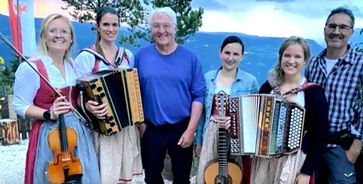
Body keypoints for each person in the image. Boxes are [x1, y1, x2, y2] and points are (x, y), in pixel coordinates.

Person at [13, 13, 100, 184]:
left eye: (64, 32)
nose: (58, 35)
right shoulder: (31, 68)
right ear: (44, 36)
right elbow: (20, 105)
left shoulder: (73, 65)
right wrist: (48, 113)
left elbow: (76, 99)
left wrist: (86, 106)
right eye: (52, 31)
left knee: (86, 176)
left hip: (77, 134)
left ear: (71, 39)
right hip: (50, 135)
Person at [133, 7, 206, 184]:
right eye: (156, 26)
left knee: (182, 178)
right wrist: (142, 126)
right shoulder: (141, 56)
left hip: (181, 127)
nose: (161, 31)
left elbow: (198, 96)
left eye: (166, 25)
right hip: (151, 127)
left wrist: (191, 131)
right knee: (151, 178)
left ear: (175, 28)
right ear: (151, 29)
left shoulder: (190, 58)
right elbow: (134, 93)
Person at [75, 7, 143, 183]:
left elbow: (134, 89)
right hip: (103, 130)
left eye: (114, 24)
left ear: (119, 26)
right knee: (105, 178)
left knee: (125, 179)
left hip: (127, 129)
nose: (110, 29)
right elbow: (77, 94)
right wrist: (88, 106)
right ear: (97, 26)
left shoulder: (127, 56)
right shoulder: (87, 57)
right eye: (106, 24)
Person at [250, 36, 329, 184]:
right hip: (264, 160)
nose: (291, 61)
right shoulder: (268, 88)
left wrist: (307, 171)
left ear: (305, 60)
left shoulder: (313, 93)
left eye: (297, 56)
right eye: (287, 55)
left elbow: (320, 136)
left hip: (294, 161)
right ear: (280, 57)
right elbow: (255, 122)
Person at [306, 7, 363, 184]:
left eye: (343, 27)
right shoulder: (313, 63)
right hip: (312, 145)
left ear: (351, 32)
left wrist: (355, 148)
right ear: (324, 30)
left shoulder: (360, 65)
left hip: (341, 146)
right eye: (332, 26)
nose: (336, 32)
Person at [195, 35, 259, 184]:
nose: (231, 58)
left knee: (236, 176)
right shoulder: (208, 78)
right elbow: (202, 114)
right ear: (220, 53)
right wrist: (198, 142)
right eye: (227, 53)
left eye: (236, 54)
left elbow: (254, 114)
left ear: (242, 56)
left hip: (237, 137)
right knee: (207, 176)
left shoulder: (250, 82)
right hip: (210, 135)